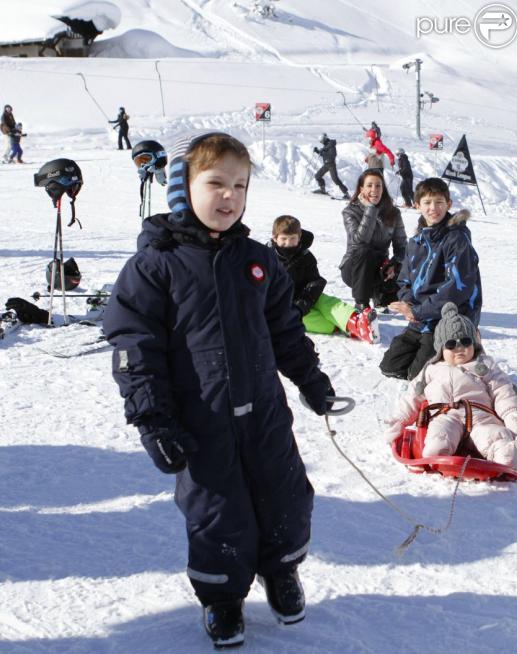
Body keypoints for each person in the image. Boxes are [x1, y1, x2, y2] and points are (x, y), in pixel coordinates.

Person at [103, 132, 335, 649]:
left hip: (265, 415)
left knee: (286, 497)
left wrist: (313, 383)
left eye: (239, 185)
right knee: (216, 513)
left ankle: (281, 571)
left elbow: (285, 333)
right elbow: (134, 349)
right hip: (200, 418)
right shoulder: (154, 266)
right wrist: (153, 420)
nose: (229, 195)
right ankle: (223, 598)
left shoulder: (258, 260)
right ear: (183, 187)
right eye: (215, 183)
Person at [383, 302, 517, 469]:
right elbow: (412, 397)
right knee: (439, 435)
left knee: (493, 435)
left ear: (474, 343)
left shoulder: (484, 365)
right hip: (446, 415)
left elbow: (503, 390)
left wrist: (510, 413)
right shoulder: (431, 370)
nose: (459, 348)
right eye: (451, 344)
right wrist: (398, 422)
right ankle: (438, 456)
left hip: (481, 416)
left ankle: (506, 455)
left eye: (465, 342)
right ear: (440, 349)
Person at [380, 177, 481, 381]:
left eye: (439, 202)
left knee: (418, 377)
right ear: (417, 205)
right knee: (390, 366)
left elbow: (456, 289)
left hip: (448, 320)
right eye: (427, 203)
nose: (433, 208)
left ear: (448, 204)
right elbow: (404, 280)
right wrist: (408, 303)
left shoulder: (456, 239)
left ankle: (466, 351)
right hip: (420, 318)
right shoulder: (416, 241)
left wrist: (417, 311)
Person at [270, 214, 379, 344]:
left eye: (292, 238)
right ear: (275, 238)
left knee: (328, 302)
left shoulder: (305, 256)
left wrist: (306, 300)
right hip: (285, 307)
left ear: (299, 238)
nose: (288, 243)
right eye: (284, 239)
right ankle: (341, 326)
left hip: (306, 297)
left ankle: (357, 322)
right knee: (299, 320)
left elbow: (314, 281)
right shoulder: (267, 257)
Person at [340, 168, 407, 311]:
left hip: (381, 269)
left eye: (378, 185)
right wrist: (370, 209)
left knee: (413, 256)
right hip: (354, 268)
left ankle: (382, 295)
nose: (374, 190)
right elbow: (360, 241)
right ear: (361, 189)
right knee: (364, 250)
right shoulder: (350, 211)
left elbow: (402, 247)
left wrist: (393, 265)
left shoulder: (393, 213)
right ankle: (361, 303)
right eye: (369, 185)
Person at [312, 133, 350, 199]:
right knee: (317, 176)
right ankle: (322, 189)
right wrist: (317, 151)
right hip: (326, 165)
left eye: (322, 141)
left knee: (335, 180)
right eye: (320, 142)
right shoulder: (326, 145)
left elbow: (332, 155)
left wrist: (323, 152)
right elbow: (324, 154)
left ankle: (346, 194)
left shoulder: (331, 145)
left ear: (325, 139)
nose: (321, 143)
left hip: (331, 165)